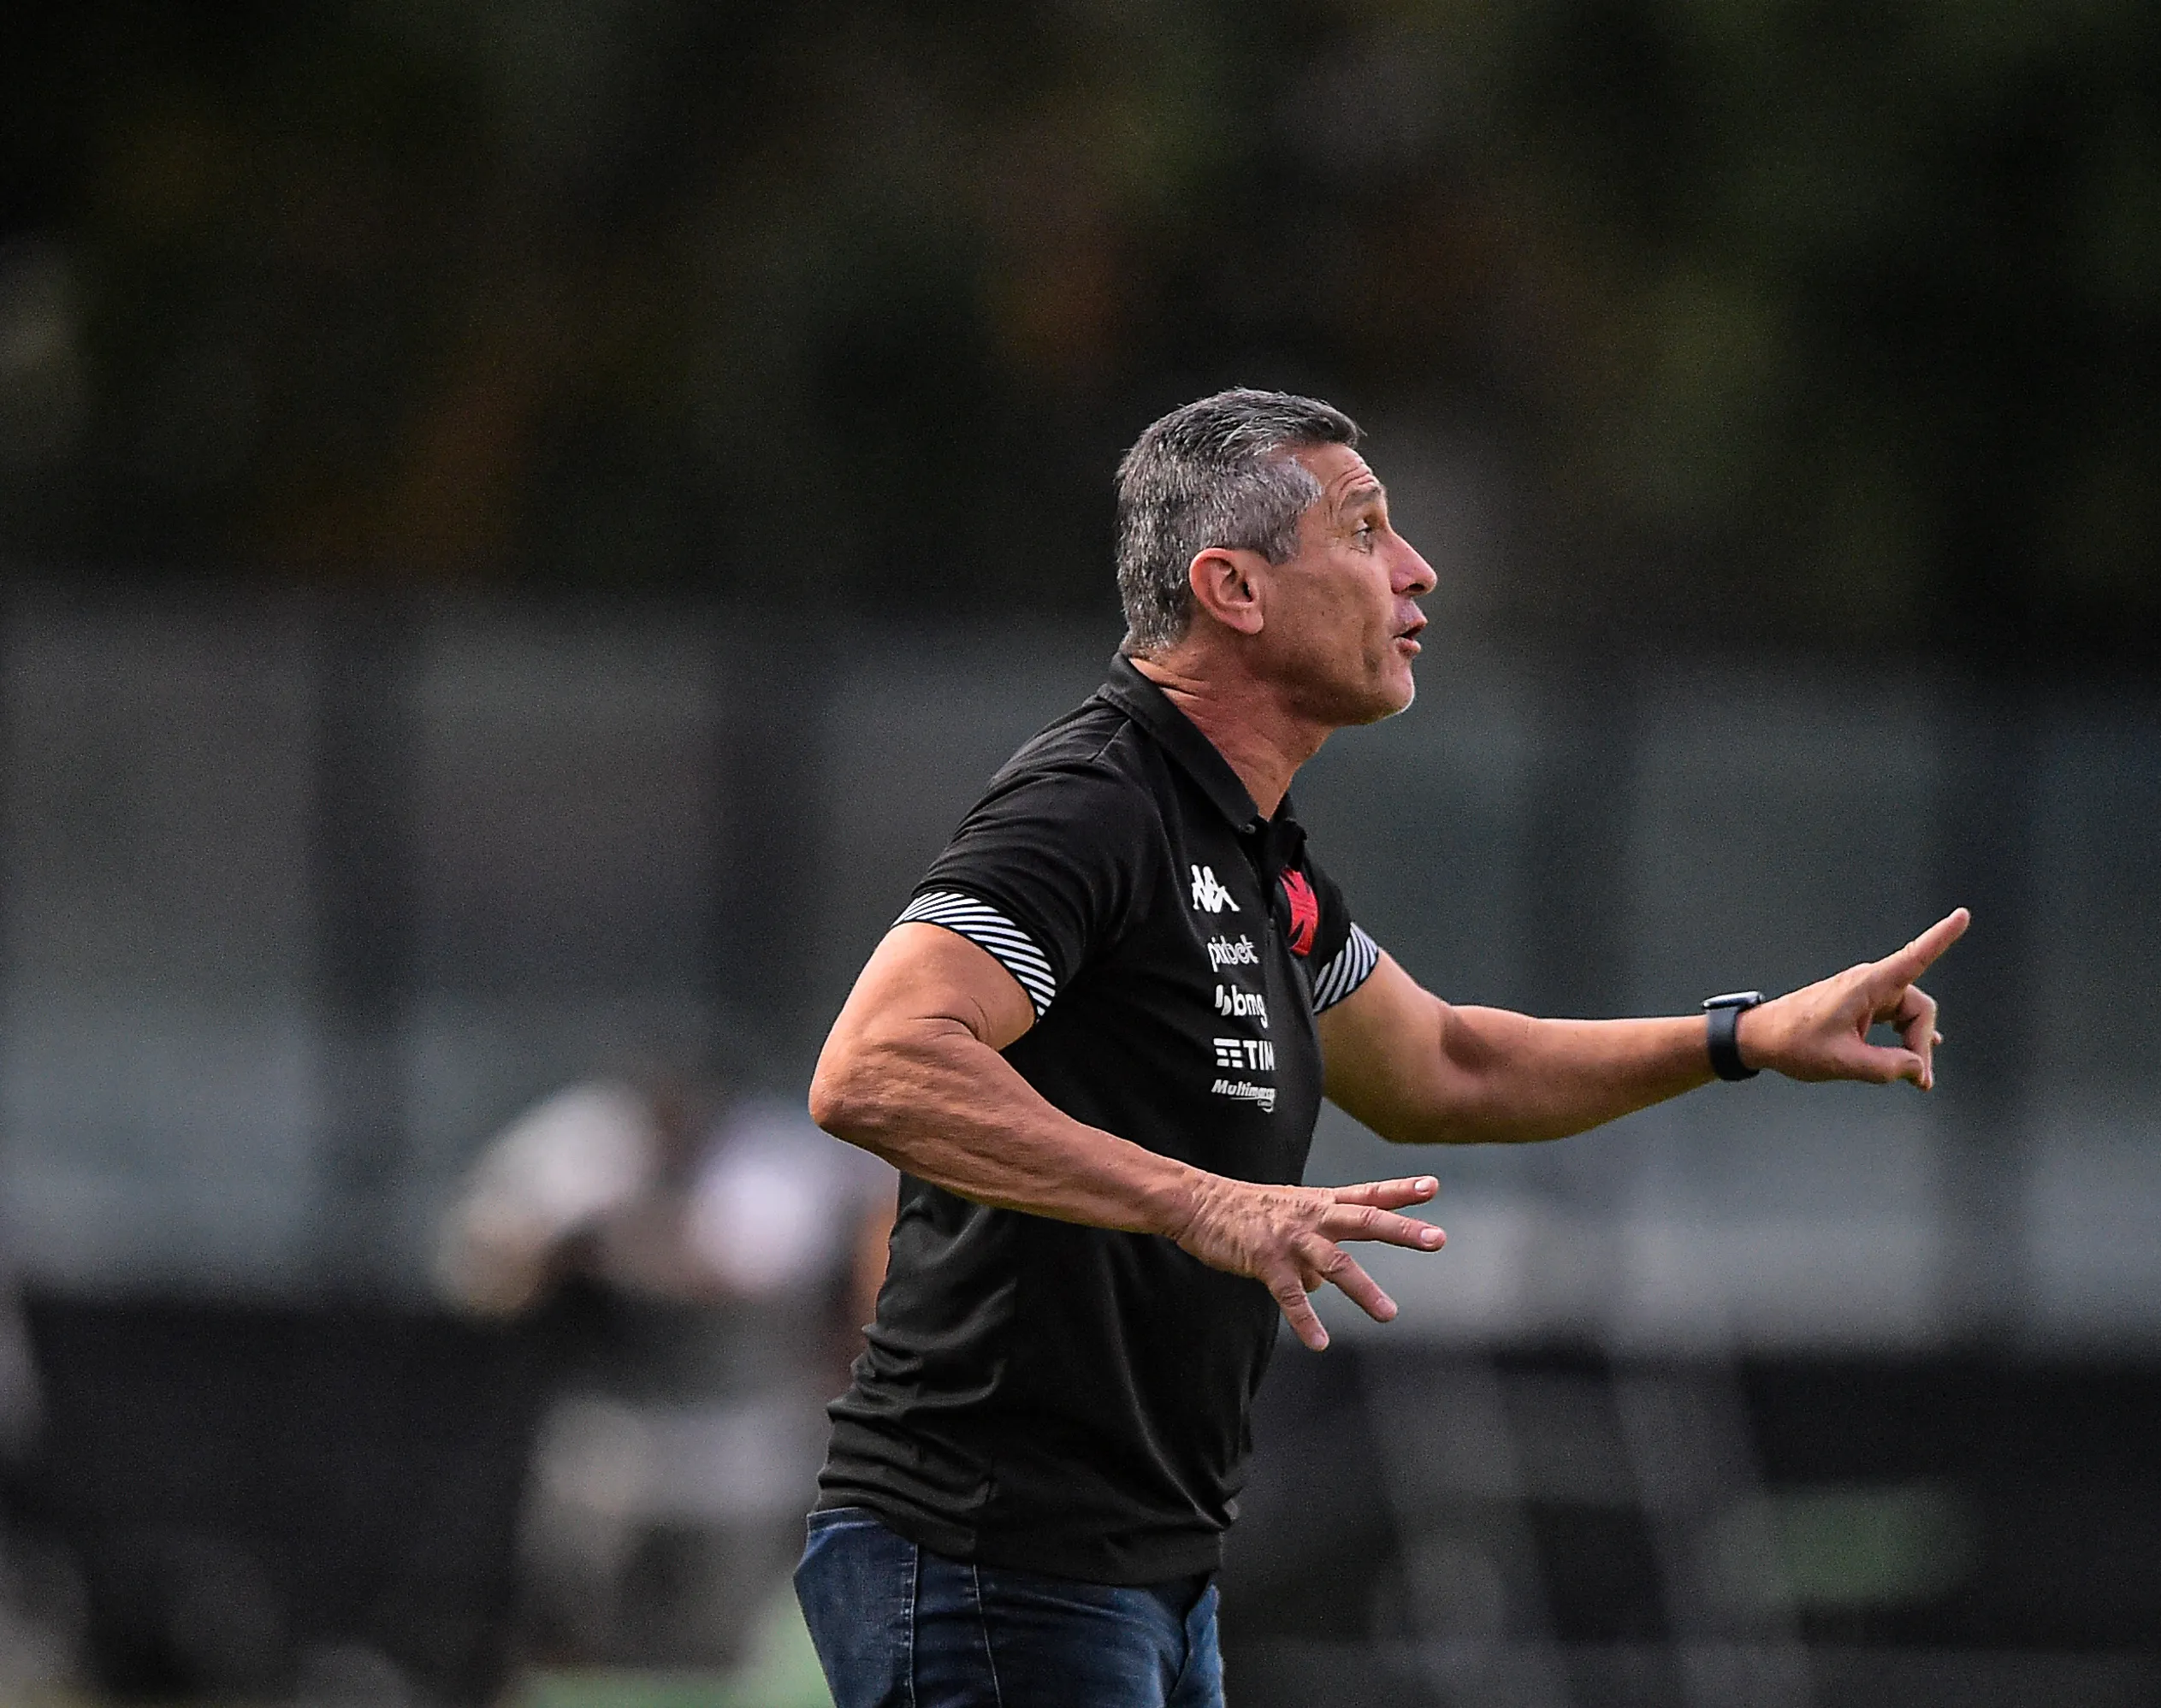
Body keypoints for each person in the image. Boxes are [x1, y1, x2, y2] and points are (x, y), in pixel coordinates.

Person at [801, 389, 1966, 1707]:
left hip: (1141, 1573)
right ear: (1232, 586)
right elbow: (876, 1065)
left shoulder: (1254, 859)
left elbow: (1447, 1068)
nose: (1417, 570)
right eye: (1366, 530)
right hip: (990, 1555)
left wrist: (1747, 1035)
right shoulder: (1095, 807)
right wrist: (1203, 1201)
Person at [438, 1057, 896, 1668]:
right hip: (609, 1435)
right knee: (578, 1631)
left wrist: (613, 1239)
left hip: (744, 1438)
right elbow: (480, 1280)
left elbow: (740, 1270)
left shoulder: (777, 1153)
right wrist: (552, 1250)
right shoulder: (577, 1144)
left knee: (728, 1641)